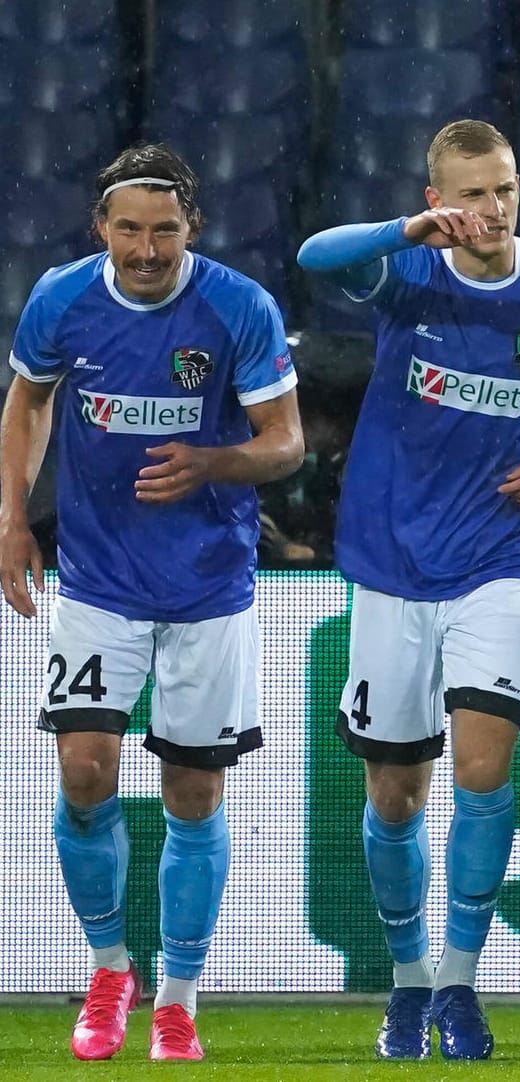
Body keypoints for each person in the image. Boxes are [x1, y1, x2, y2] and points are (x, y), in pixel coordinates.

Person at [296, 119, 520, 1060]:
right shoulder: (408, 274)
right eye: (472, 192)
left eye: (506, 191)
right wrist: (407, 231)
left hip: (502, 558)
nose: (491, 211)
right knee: (396, 794)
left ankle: (457, 984)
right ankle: (404, 982)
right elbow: (317, 257)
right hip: (393, 564)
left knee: (484, 772)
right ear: (440, 192)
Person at [0, 144, 303, 1061]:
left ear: (191, 229)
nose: (146, 247)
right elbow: (28, 403)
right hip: (96, 583)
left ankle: (177, 998)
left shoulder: (237, 307)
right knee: (85, 775)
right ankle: (108, 970)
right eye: (128, 228)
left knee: (193, 794)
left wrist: (214, 462)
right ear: (101, 228)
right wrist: (13, 521)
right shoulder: (62, 300)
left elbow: (285, 443)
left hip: (210, 586)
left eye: (163, 229)